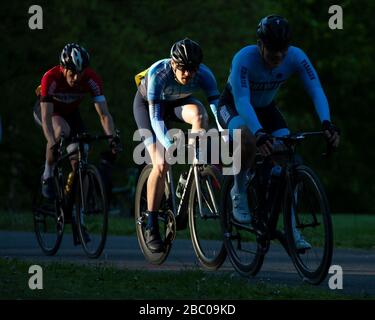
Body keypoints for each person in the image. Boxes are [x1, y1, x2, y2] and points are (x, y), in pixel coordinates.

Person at [217, 15, 340, 250]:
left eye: (283, 50)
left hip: (266, 109)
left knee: (286, 154)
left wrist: (327, 122)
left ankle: (290, 227)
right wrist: (260, 133)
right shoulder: (244, 58)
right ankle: (239, 191)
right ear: (260, 44)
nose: (279, 57)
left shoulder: (296, 56)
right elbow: (242, 101)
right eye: (273, 50)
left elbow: (315, 89)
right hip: (233, 106)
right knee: (248, 139)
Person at [133, 38, 223, 253]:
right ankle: (151, 224)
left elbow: (217, 110)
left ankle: (194, 169)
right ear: (173, 64)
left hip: (175, 103)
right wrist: (168, 143)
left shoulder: (205, 75)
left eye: (191, 69)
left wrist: (225, 135)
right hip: (148, 108)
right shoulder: (158, 73)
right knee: (162, 162)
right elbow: (156, 118)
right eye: (182, 68)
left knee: (200, 114)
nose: (187, 74)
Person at [33, 43, 120, 199]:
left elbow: (104, 114)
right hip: (47, 111)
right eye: (72, 73)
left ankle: (76, 211)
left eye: (80, 73)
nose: (76, 78)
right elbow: (46, 118)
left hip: (70, 112)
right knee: (60, 130)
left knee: (81, 153)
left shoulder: (91, 79)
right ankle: (47, 174)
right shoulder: (50, 78)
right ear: (63, 68)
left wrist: (112, 138)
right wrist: (52, 142)